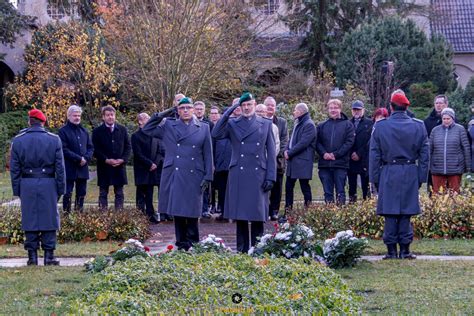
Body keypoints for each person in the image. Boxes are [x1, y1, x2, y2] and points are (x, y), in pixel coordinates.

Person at [142, 97, 213, 250]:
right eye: (182, 108)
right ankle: (181, 243)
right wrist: (165, 112)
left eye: (188, 108)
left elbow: (208, 154)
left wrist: (208, 175)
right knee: (178, 209)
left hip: (195, 172)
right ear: (177, 111)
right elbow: (147, 129)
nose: (185, 111)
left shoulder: (204, 127)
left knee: (193, 209)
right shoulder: (169, 124)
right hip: (175, 171)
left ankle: (193, 243)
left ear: (194, 109)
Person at [212, 92, 276, 253]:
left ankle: (257, 249)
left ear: (254, 104)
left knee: (257, 215)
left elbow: (271, 152)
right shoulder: (233, 123)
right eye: (243, 105)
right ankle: (241, 250)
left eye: (249, 104)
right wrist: (229, 111)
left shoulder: (265, 123)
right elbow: (216, 133)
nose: (246, 108)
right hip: (238, 173)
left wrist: (271, 176)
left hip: (258, 174)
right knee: (240, 216)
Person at [369, 92, 429, 260]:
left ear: (391, 107)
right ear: (407, 107)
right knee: (406, 212)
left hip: (388, 171)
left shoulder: (380, 126)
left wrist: (375, 178)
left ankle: (391, 251)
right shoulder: (419, 126)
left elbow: (374, 155)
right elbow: (425, 156)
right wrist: (421, 177)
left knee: (390, 211)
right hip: (410, 171)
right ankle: (405, 250)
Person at [10, 109, 65, 266]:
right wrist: (60, 189)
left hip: (27, 183)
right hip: (48, 183)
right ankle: (49, 256)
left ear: (29, 121)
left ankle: (32, 257)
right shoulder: (54, 140)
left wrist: (18, 189)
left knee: (30, 218)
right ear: (43, 122)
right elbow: (60, 168)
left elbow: (14, 169)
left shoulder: (18, 140)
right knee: (49, 218)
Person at [316, 99, 355, 205]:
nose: (333, 110)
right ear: (328, 110)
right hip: (324, 165)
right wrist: (324, 153)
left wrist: (335, 154)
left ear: (340, 109)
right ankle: (329, 217)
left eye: (335, 108)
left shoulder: (348, 125)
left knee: (340, 192)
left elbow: (349, 142)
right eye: (331, 108)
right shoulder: (321, 126)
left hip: (340, 164)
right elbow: (317, 142)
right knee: (328, 193)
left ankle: (340, 217)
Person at [92, 106, 131, 210]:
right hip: (104, 167)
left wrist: (122, 160)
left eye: (112, 115)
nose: (110, 117)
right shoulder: (97, 132)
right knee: (103, 193)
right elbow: (95, 150)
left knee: (119, 193)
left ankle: (119, 217)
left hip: (119, 167)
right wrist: (106, 160)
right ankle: (103, 217)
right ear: (103, 117)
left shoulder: (122, 130)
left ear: (115, 116)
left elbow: (128, 147)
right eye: (108, 115)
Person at [58, 105, 94, 213]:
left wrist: (86, 158)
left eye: (79, 115)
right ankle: (67, 216)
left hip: (83, 168)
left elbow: (90, 147)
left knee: (81, 193)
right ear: (69, 116)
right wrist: (79, 159)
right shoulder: (63, 131)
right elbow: (63, 149)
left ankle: (79, 216)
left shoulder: (84, 131)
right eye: (75, 115)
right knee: (67, 193)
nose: (77, 117)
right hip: (69, 168)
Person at [284, 103, 317, 213]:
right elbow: (292, 139)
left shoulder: (309, 125)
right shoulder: (298, 123)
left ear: (301, 112)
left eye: (295, 110)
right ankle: (288, 212)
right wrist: (286, 149)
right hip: (293, 161)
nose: (293, 112)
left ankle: (308, 211)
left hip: (302, 162)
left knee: (304, 187)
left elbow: (303, 143)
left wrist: (289, 153)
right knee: (288, 187)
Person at [429, 108, 471, 194]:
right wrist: (428, 165)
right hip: (437, 168)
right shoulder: (435, 130)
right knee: (438, 196)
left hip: (455, 168)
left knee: (454, 196)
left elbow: (466, 148)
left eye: (448, 118)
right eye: (444, 119)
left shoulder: (460, 129)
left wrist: (468, 166)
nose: (446, 121)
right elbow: (429, 149)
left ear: (453, 118)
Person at [131, 113, 163, 223]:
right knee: (141, 193)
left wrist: (155, 164)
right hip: (142, 168)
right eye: (147, 118)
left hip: (154, 168)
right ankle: (140, 214)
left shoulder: (154, 134)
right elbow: (138, 153)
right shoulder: (135, 136)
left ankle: (150, 214)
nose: (149, 120)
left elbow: (160, 151)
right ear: (140, 121)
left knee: (150, 192)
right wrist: (149, 164)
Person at [264, 96, 288, 221]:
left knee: (277, 187)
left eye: (272, 106)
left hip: (277, 161)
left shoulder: (282, 122)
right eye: (268, 105)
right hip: (262, 161)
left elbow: (284, 141)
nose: (270, 108)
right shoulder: (259, 121)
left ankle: (274, 211)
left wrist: (274, 154)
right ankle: (264, 210)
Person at [347, 100, 373, 202]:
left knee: (365, 186)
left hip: (364, 159)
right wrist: (351, 153)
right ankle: (351, 207)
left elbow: (369, 141)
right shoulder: (348, 123)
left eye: (358, 109)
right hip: (351, 159)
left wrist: (359, 153)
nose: (356, 112)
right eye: (354, 109)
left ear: (363, 110)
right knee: (352, 186)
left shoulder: (370, 123)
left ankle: (366, 207)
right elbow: (345, 140)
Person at [424, 95, 449, 193]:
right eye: (436, 103)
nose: (438, 105)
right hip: (433, 160)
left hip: (449, 160)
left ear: (446, 104)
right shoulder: (427, 122)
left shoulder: (454, 122)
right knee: (433, 190)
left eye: (441, 103)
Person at [193, 101, 214, 219]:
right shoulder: (190, 123)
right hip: (194, 159)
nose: (199, 111)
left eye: (201, 109)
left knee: (206, 186)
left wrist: (212, 163)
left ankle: (205, 208)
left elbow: (212, 145)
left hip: (206, 159)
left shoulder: (209, 124)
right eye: (197, 109)